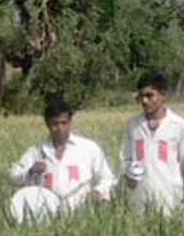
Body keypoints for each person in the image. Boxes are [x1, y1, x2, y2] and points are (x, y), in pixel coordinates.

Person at [9, 95, 116, 223]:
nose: (60, 128)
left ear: (71, 122)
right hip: (46, 219)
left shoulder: (88, 148)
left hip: (82, 217)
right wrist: (30, 171)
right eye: (55, 124)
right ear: (47, 124)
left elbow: (107, 177)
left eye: (64, 123)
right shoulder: (36, 152)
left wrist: (98, 192)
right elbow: (13, 177)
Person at [120, 71, 184, 216]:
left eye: (149, 95)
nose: (144, 101)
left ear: (163, 95)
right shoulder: (134, 125)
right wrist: (128, 174)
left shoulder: (178, 125)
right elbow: (125, 157)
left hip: (169, 197)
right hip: (138, 197)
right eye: (141, 96)